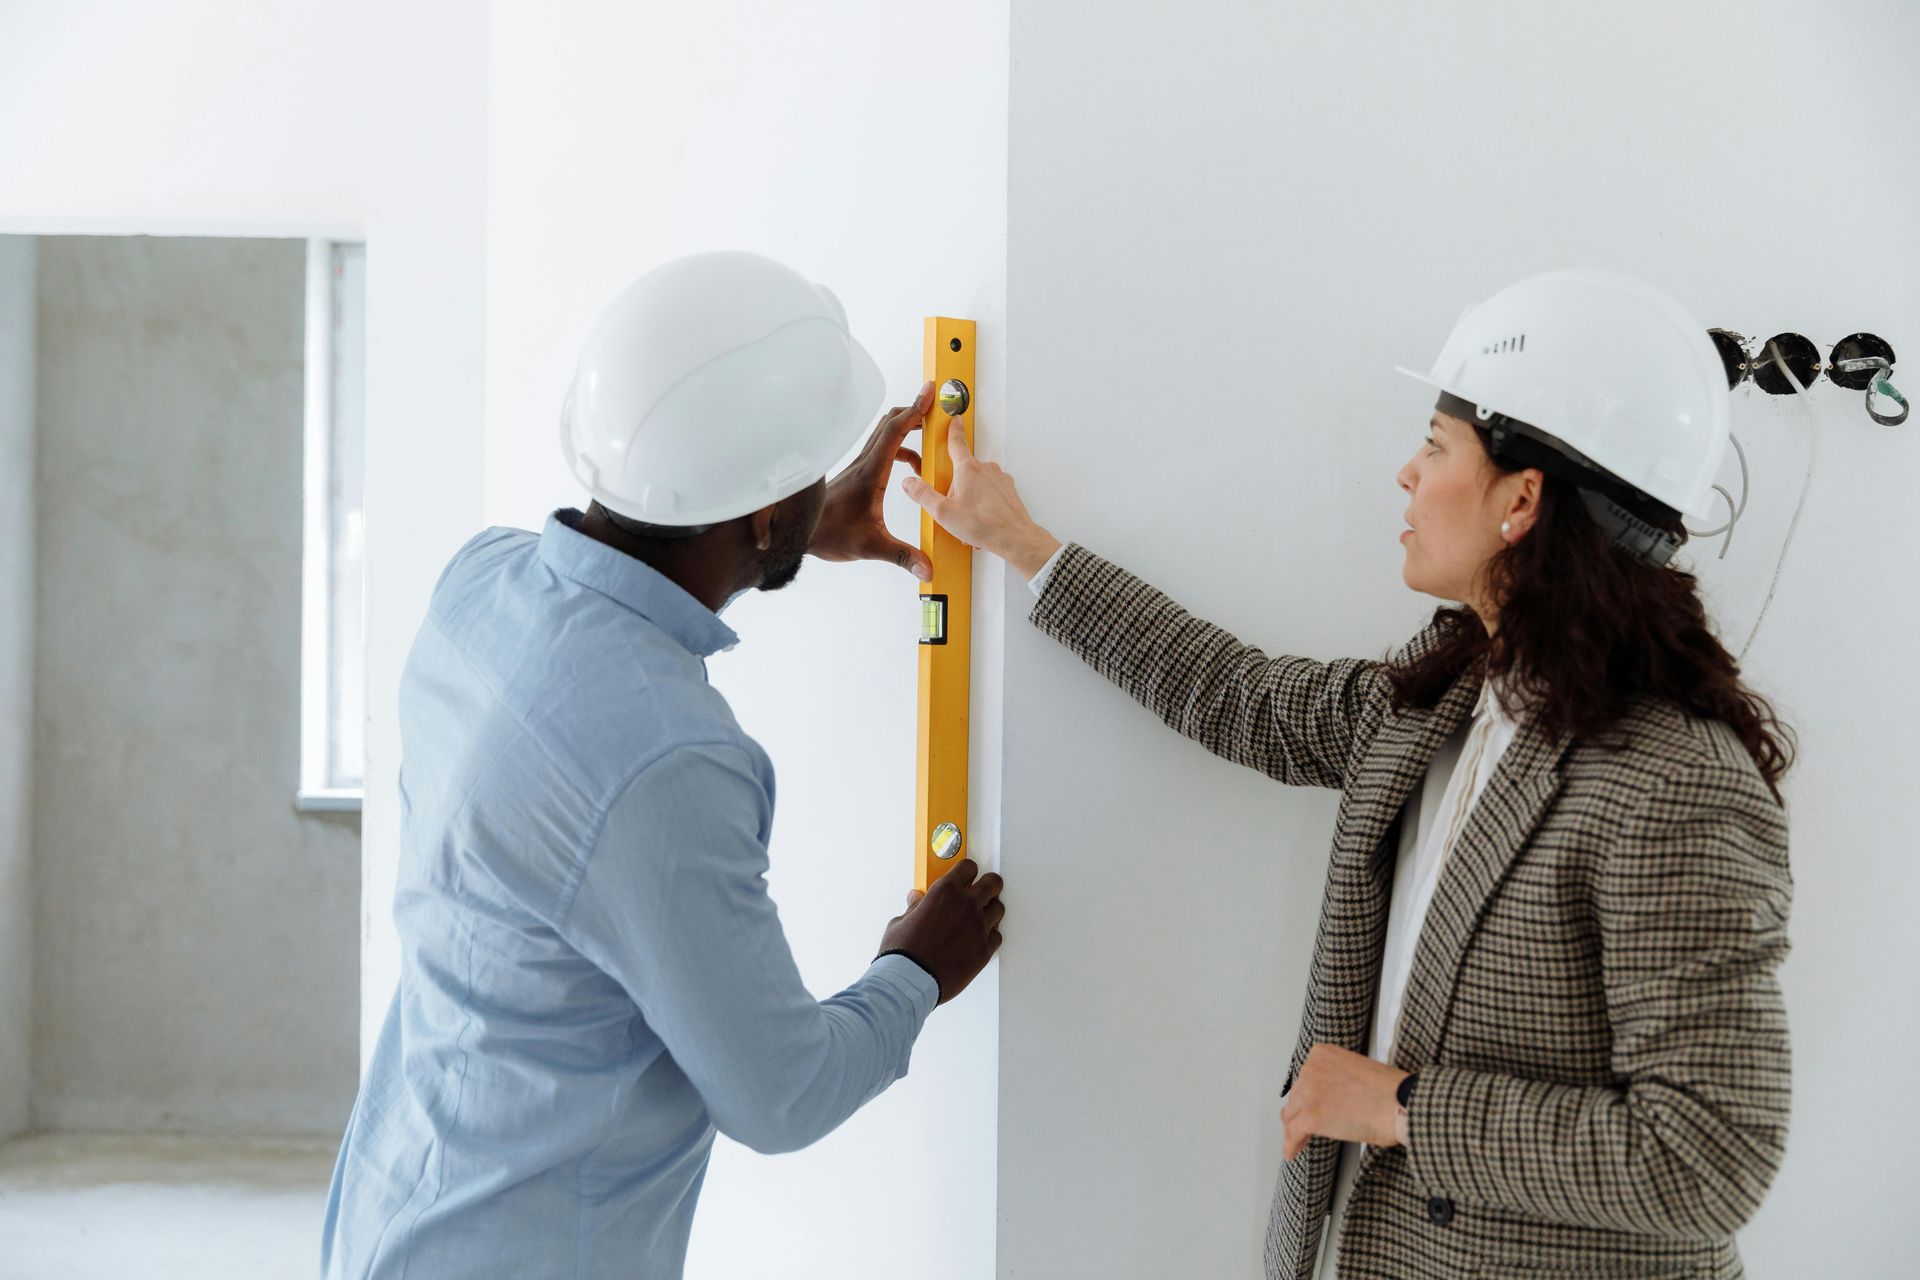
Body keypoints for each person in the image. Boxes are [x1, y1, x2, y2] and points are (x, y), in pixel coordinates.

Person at [903, 269, 1793, 1279]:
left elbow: (1709, 1155)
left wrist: (1400, 1104)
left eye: (1435, 444)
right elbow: (1238, 695)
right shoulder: (1447, 698)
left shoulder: (1673, 780)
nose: (1406, 475)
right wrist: (1021, 543)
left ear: (1523, 499)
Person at [322, 251, 1005, 1280]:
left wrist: (788, 523)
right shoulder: (673, 759)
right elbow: (781, 1093)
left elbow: (637, 596)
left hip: (389, 1216)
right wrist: (913, 968)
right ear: (763, 514)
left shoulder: (477, 586)